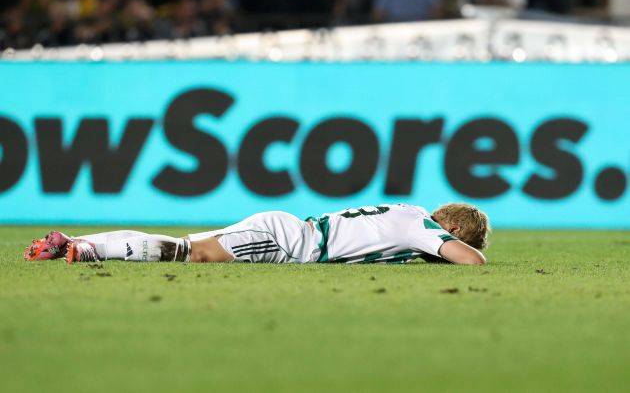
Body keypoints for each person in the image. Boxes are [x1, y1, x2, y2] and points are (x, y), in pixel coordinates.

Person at [24, 203, 489, 265]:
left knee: (187, 246)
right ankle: (89, 249)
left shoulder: (408, 212)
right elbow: (473, 261)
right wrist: (453, 251)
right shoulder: (422, 227)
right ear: (451, 229)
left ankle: (75, 242)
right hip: (292, 242)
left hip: (288, 229)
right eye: (456, 239)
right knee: (191, 253)